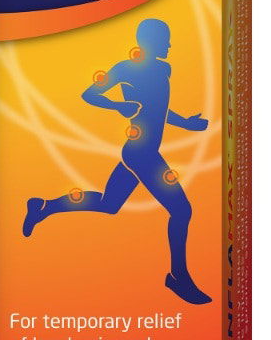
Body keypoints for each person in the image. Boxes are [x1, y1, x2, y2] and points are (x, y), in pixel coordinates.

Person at [22, 18, 212, 305]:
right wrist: (118, 105)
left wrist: (185, 122)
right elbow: (89, 94)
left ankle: (44, 207)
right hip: (141, 153)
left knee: (109, 204)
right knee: (182, 210)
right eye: (165, 39)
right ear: (149, 41)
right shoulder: (126, 69)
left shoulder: (162, 69)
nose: (170, 44)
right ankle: (178, 277)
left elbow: (158, 109)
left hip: (140, 152)